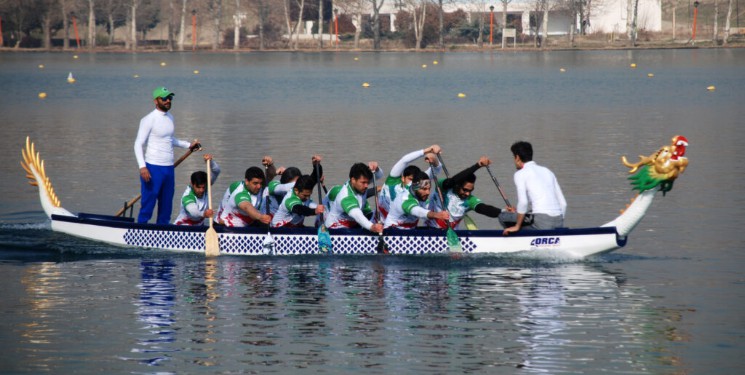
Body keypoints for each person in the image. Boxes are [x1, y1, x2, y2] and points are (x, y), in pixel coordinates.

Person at [134, 86, 200, 224]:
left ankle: (162, 231)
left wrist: (188, 145)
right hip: (152, 168)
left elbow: (170, 139)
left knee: (166, 205)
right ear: (156, 101)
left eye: (170, 98)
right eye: (164, 98)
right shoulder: (148, 119)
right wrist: (142, 167)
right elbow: (138, 144)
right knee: (148, 203)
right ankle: (140, 228)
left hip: (168, 168)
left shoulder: (170, 117)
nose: (168, 100)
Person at [426, 156, 510, 229]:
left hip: (452, 235)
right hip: (431, 231)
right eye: (465, 190)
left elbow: (484, 209)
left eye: (470, 190)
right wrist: (478, 165)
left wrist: (503, 212)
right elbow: (452, 181)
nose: (468, 194)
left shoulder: (469, 200)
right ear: (457, 185)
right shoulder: (443, 187)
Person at [503, 141, 566, 234]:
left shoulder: (520, 174)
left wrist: (517, 225)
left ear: (517, 157)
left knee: (503, 216)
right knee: (525, 214)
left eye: (513, 157)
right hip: (559, 222)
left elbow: (523, 202)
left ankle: (515, 237)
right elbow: (563, 204)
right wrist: (558, 224)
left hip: (541, 223)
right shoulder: (548, 171)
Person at [379, 145, 442, 219]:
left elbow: (436, 169)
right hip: (381, 223)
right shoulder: (392, 181)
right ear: (403, 178)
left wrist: (434, 159)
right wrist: (427, 150)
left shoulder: (419, 183)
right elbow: (404, 160)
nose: (412, 183)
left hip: (405, 226)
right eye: (410, 179)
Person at [324, 162, 384, 234]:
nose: (366, 186)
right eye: (363, 182)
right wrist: (372, 227)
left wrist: (376, 168)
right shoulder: (346, 196)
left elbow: (378, 175)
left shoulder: (360, 183)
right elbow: (357, 215)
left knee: (381, 212)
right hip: (336, 229)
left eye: (367, 182)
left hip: (352, 224)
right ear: (353, 180)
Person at [384, 171, 449, 229]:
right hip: (392, 232)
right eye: (424, 189)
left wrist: (434, 160)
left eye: (429, 189)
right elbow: (418, 211)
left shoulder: (416, 191)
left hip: (409, 231)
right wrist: (436, 215)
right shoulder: (405, 199)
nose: (428, 192)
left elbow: (436, 168)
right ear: (415, 188)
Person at [173, 154, 220, 226]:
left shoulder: (206, 188)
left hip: (199, 228)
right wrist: (204, 214)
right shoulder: (188, 196)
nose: (201, 190)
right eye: (198, 187)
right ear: (192, 184)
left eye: (203, 187)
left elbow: (216, 171)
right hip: (182, 229)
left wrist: (211, 162)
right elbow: (193, 212)